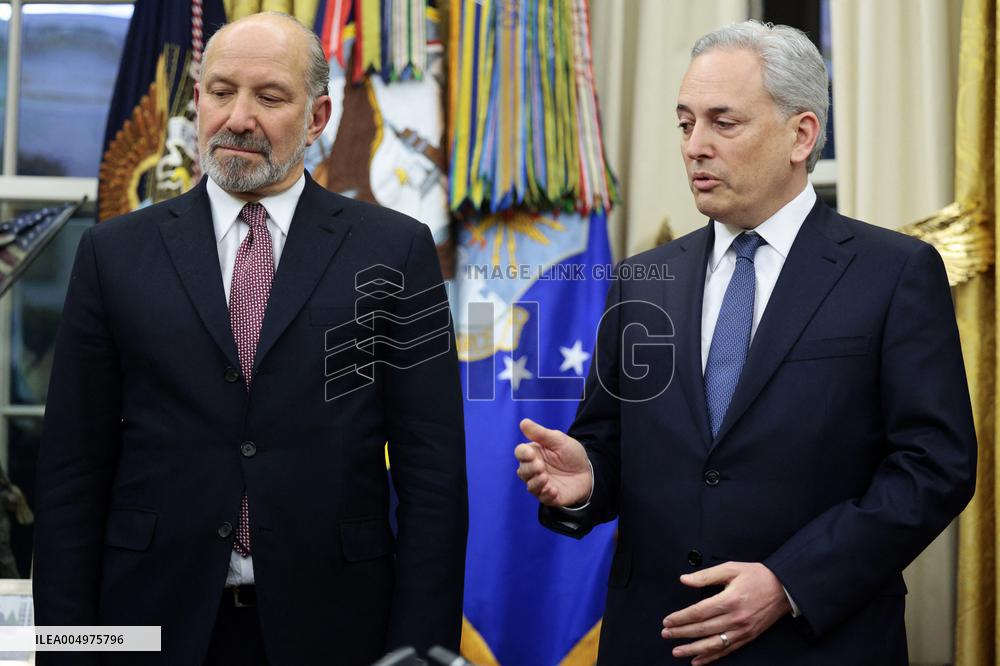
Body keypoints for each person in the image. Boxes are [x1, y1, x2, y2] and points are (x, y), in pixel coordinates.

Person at [515, 20, 976, 665]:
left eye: (722, 123)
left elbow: (934, 466)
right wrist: (588, 479)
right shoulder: (642, 278)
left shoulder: (894, 273)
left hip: (817, 645)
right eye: (685, 124)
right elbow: (611, 443)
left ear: (801, 135)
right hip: (655, 642)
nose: (694, 147)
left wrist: (790, 583)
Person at [34, 12, 467, 666]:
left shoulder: (396, 251)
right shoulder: (113, 253)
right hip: (147, 626)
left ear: (318, 118)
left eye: (269, 97)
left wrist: (419, 651)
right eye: (220, 92)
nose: (238, 118)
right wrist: (67, 650)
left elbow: (432, 473)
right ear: (197, 101)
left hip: (337, 629)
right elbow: (72, 469)